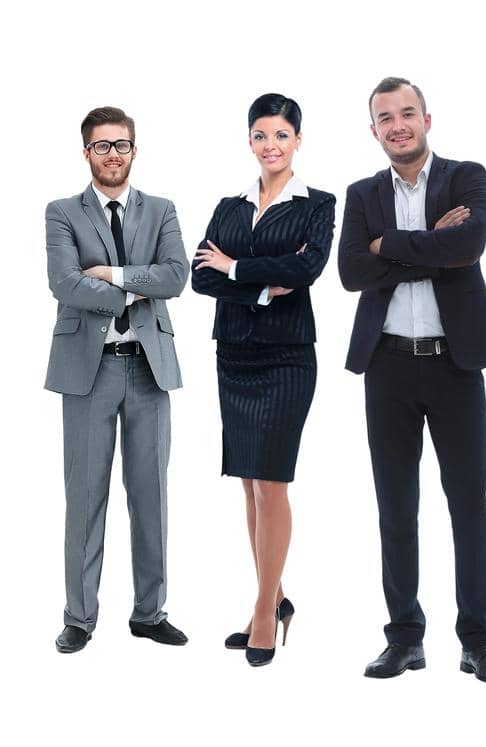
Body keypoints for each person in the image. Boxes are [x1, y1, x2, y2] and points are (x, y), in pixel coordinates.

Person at [337, 77, 486, 683]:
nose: (398, 125)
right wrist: (431, 243)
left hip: (454, 363)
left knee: (469, 504)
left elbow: (469, 245)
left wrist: (397, 245)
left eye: (407, 113)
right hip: (386, 366)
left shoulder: (467, 177)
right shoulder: (361, 194)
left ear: (427, 119)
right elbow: (353, 271)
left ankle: (478, 641)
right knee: (395, 507)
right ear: (374, 130)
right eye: (385, 118)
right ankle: (405, 637)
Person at [191, 93, 332, 667]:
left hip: (287, 357)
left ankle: (262, 615)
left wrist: (236, 267)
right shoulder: (229, 205)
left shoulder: (317, 204)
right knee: (248, 483)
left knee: (272, 483)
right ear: (249, 141)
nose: (270, 145)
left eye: (280, 135)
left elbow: (308, 269)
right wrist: (254, 283)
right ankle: (274, 600)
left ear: (298, 140)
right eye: (260, 135)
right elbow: (201, 277)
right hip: (235, 356)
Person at [45, 106, 190, 654]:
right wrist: (137, 288)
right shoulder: (62, 212)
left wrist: (112, 275)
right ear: (87, 153)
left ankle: (149, 613)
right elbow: (64, 282)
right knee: (84, 497)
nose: (113, 154)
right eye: (102, 146)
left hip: (149, 367)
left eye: (122, 144)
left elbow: (177, 277)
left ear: (135, 149)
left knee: (151, 495)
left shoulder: (162, 210)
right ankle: (79, 617)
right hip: (89, 371)